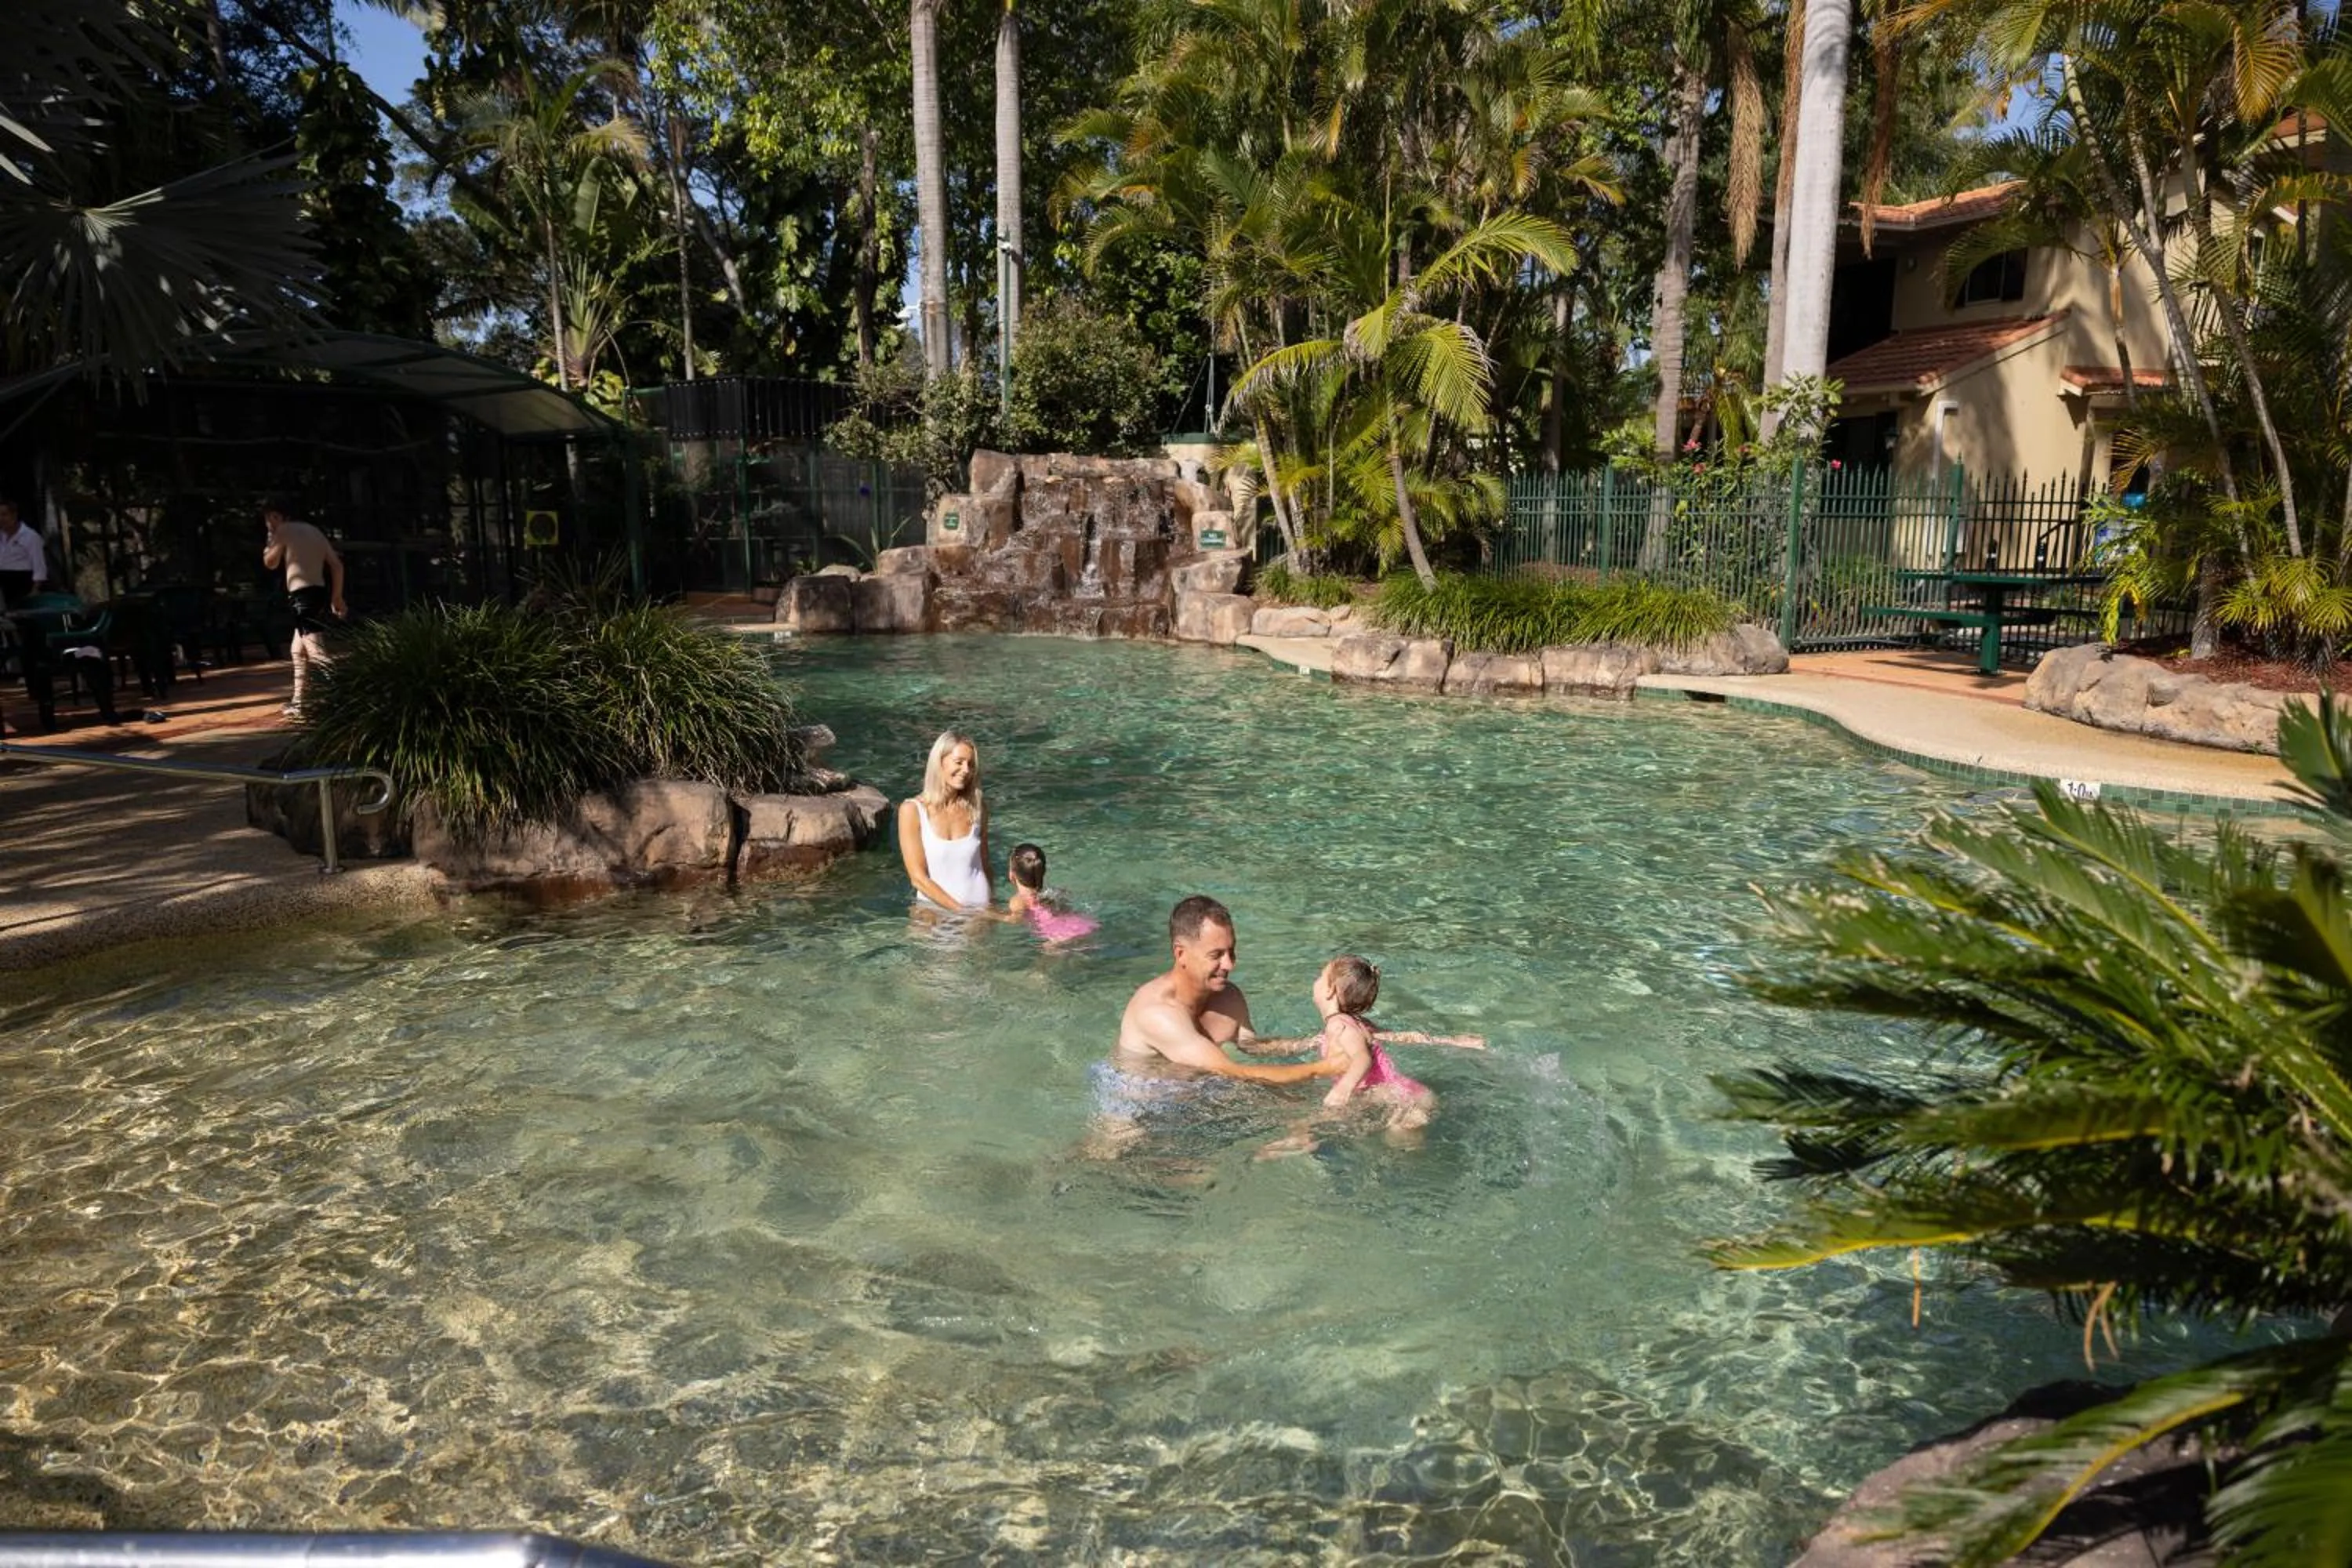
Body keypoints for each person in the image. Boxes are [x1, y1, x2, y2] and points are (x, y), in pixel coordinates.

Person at [1094, 896, 1340, 1144]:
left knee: (1315, 1109)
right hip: (1137, 1115)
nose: (1229, 964)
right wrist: (1326, 1068)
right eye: (1216, 955)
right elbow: (1236, 1071)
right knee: (1116, 1154)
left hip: (1195, 1095)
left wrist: (1319, 1042)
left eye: (1231, 951)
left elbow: (1252, 1046)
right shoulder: (1157, 1013)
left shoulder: (1227, 996)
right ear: (1181, 954)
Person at [260, 499, 346, 718]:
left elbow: (270, 563)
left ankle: (348, 698)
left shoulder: (284, 530)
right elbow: (337, 565)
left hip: (302, 597)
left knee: (317, 652)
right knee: (297, 651)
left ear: (277, 517)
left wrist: (270, 539)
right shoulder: (314, 531)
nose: (269, 524)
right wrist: (337, 598)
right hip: (318, 593)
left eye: (269, 520)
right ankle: (299, 703)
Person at [897, 729, 993, 911]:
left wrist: (991, 909)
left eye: (971, 764)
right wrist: (962, 912)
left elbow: (986, 864)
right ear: (939, 762)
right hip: (933, 916)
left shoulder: (978, 809)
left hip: (979, 919)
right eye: (959, 762)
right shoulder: (912, 810)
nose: (966, 770)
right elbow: (918, 878)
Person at [1004, 843, 1098, 941]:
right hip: (1081, 924)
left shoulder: (1018, 900)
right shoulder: (1052, 892)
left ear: (1012, 875)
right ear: (1042, 871)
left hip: (1058, 935)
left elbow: (1015, 920)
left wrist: (992, 914)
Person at [0, 498, 47, 608]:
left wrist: (35, 590)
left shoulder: (31, 537)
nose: (1, 519)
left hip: (21, 580)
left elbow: (39, 565)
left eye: (4, 515)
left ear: (14, 515)